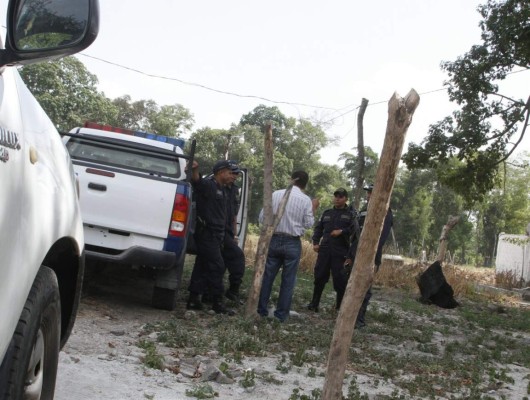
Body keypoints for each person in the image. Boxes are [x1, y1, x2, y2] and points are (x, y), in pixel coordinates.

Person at [257, 171, 319, 322]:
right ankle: (280, 316)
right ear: (305, 184)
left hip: (274, 238)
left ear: (291, 179)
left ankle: (260, 310)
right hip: (292, 242)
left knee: (267, 277)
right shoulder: (305, 200)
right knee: (288, 280)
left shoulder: (276, 194)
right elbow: (309, 223)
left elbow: (261, 217)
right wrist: (313, 208)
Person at [186, 159, 234, 314]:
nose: (231, 175)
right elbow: (197, 180)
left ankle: (194, 299)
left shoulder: (224, 189)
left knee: (202, 265)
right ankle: (217, 303)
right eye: (229, 172)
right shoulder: (209, 184)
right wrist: (194, 169)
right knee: (218, 266)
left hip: (217, 234)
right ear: (220, 172)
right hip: (207, 233)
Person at [345, 183, 393, 328]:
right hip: (356, 253)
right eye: (368, 192)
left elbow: (380, 238)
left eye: (371, 192)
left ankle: (359, 319)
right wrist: (350, 254)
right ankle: (349, 316)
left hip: (369, 256)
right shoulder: (365, 210)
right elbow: (355, 236)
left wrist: (368, 256)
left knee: (364, 288)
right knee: (352, 285)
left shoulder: (385, 212)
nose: (368, 195)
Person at [307, 188, 358, 312]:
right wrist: (315, 242)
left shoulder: (351, 215)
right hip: (325, 250)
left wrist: (341, 231)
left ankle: (339, 306)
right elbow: (318, 229)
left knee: (340, 280)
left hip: (340, 252)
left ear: (346, 198)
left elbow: (355, 231)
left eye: (340, 197)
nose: (337, 199)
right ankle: (314, 304)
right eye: (336, 196)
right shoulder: (327, 213)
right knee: (319, 276)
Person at [222, 161, 246, 303]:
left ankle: (232, 291)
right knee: (237, 257)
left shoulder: (234, 190)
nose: (235, 176)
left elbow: (234, 215)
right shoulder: (217, 186)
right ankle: (232, 291)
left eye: (237, 174)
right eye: (233, 173)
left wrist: (235, 234)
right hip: (217, 230)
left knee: (229, 259)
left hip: (228, 231)